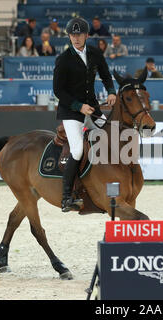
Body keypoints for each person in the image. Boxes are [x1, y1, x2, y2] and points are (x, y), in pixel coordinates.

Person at [53, 17, 116, 212]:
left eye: (79, 34)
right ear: (69, 36)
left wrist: (112, 91)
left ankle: (108, 186)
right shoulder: (63, 59)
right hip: (71, 111)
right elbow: (58, 90)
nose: (76, 38)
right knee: (78, 149)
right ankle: (66, 197)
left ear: (87, 35)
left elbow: (106, 75)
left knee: (112, 138)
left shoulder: (96, 53)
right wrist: (79, 106)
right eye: (73, 34)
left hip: (94, 108)